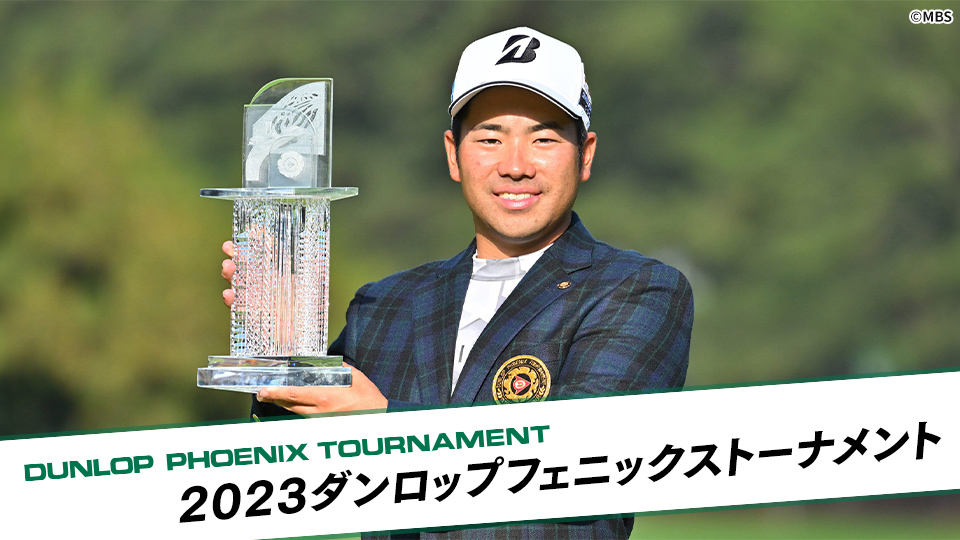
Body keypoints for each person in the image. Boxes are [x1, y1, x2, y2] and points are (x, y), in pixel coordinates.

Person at [222, 27, 693, 538]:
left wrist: (381, 422)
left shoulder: (640, 290)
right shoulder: (384, 304)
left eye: (544, 138)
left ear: (585, 155)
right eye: (490, 139)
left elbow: (586, 456)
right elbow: (288, 474)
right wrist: (286, 352)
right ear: (453, 154)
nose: (515, 166)